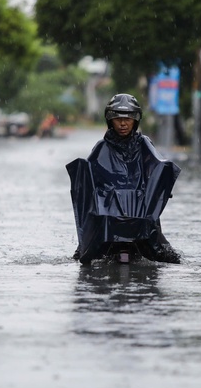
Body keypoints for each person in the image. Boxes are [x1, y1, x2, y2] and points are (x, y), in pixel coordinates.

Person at [67, 93, 181, 264]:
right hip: (109, 211)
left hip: (140, 209)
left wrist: (159, 188)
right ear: (110, 120)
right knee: (84, 254)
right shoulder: (101, 147)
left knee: (166, 255)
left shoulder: (144, 144)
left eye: (128, 118)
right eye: (117, 118)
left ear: (136, 120)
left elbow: (158, 165)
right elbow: (89, 174)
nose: (123, 123)